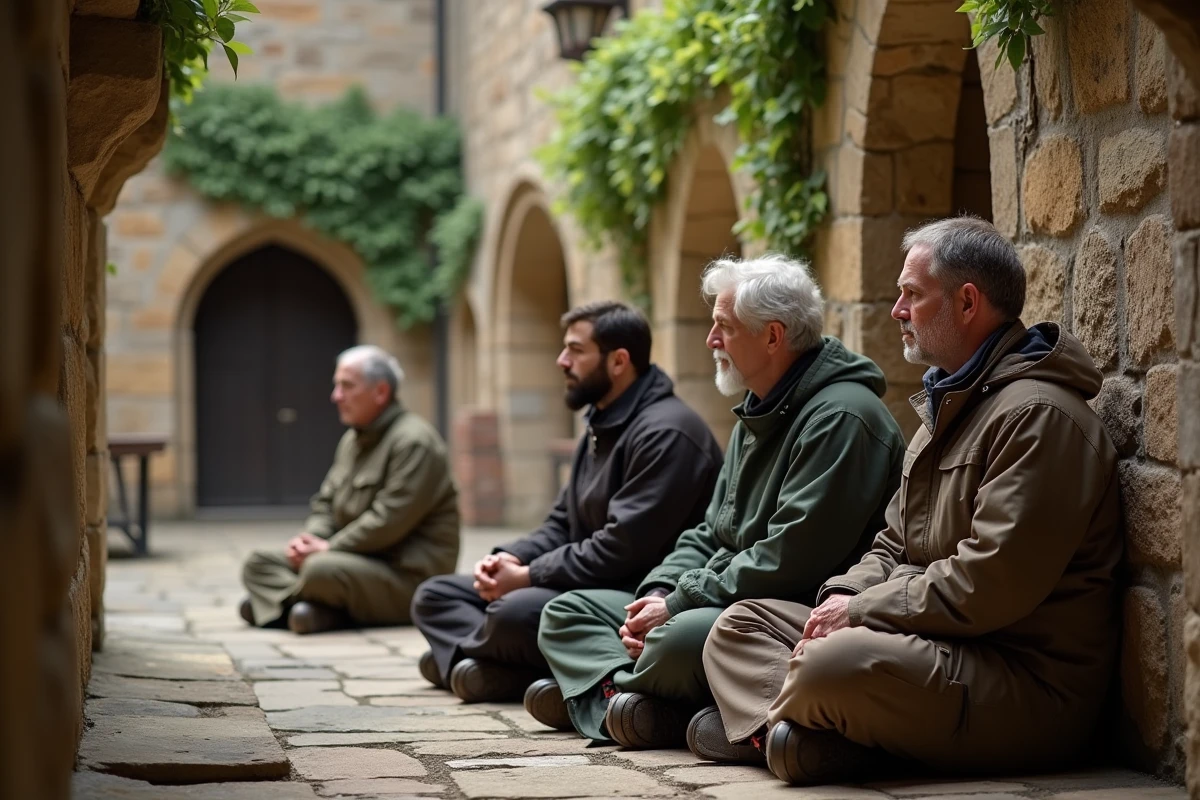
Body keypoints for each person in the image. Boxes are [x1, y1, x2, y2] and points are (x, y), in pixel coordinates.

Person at [700, 217, 1123, 784]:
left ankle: (789, 729)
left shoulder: (1039, 417)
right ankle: (796, 736)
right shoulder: (944, 409)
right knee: (738, 627)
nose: (897, 310)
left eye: (912, 294)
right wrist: (846, 596)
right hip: (924, 641)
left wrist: (859, 614)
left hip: (1017, 679)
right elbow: (890, 545)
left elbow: (988, 584)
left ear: (967, 302)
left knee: (829, 663)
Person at [530, 254, 906, 750]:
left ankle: (606, 696)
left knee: (679, 640)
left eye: (724, 327)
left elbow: (791, 559)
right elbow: (711, 532)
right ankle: (637, 707)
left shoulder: (843, 417)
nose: (710, 340)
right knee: (566, 611)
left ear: (772, 337)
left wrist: (678, 605)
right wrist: (660, 590)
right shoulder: (758, 408)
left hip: (776, 612)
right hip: (718, 596)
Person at [411, 301, 723, 710]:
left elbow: (620, 549)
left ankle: (472, 662)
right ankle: (495, 668)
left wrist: (528, 577)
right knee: (435, 596)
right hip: (580, 580)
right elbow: (561, 523)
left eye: (575, 350)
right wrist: (510, 559)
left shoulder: (668, 432)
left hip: (629, 594)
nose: (561, 361)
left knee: (512, 612)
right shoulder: (601, 421)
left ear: (618, 361)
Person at [239, 345, 460, 635]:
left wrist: (328, 549)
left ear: (380, 392)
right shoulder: (352, 441)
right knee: (258, 563)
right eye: (337, 386)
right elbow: (326, 504)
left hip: (403, 576)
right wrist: (311, 540)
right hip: (352, 561)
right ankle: (311, 610)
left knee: (319, 570)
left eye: (347, 386)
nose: (336, 396)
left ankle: (282, 606)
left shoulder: (414, 442)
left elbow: (389, 520)